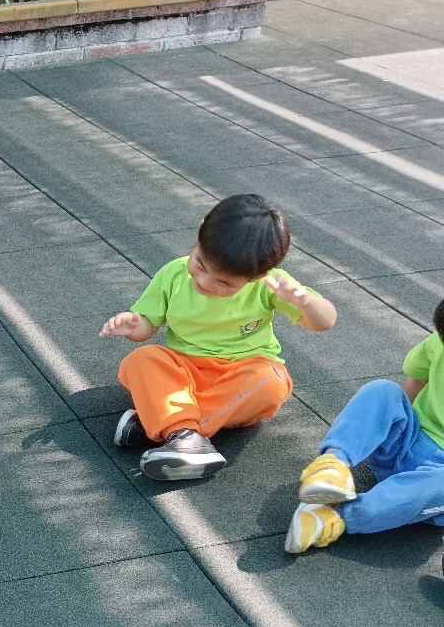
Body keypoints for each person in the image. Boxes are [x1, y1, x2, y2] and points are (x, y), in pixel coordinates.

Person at [101, 193, 338, 481]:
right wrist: (134, 325)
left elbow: (325, 321)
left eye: (224, 283)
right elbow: (147, 325)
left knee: (272, 381)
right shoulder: (173, 274)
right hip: (184, 371)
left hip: (242, 375)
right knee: (141, 359)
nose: (204, 282)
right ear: (199, 232)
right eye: (200, 264)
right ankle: (181, 432)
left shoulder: (271, 284)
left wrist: (304, 301)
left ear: (256, 277)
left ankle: (172, 427)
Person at [287, 298, 444, 553]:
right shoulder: (439, 342)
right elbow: (415, 381)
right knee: (384, 391)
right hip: (406, 441)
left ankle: (335, 517)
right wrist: (385, 422)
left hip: (431, 486)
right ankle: (333, 464)